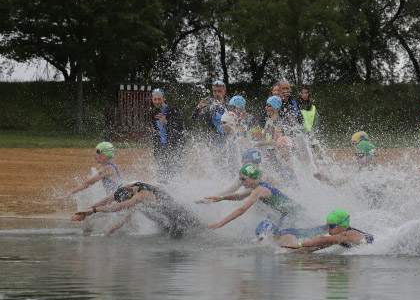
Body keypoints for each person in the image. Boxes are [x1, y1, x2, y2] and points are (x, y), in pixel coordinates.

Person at [71, 181, 199, 238]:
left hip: (179, 214)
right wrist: (87, 210)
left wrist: (94, 210)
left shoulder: (141, 196)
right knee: (168, 231)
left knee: (189, 233)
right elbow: (108, 199)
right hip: (170, 216)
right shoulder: (131, 186)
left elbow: (119, 207)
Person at [199, 163, 305, 230]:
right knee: (276, 236)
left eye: (243, 179)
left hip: (293, 213)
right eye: (240, 179)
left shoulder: (259, 190)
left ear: (253, 177)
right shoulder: (256, 187)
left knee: (280, 238)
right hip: (288, 212)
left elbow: (242, 209)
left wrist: (220, 223)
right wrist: (220, 198)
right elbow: (239, 196)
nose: (241, 182)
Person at [260, 208, 374, 252]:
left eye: (332, 226)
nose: (328, 229)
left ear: (342, 225)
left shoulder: (349, 234)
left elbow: (323, 239)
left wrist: (299, 244)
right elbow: (315, 247)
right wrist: (288, 253)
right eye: (327, 226)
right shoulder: (338, 237)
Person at [148, 88, 185, 178]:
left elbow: (180, 128)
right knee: (162, 171)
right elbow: (156, 130)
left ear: (164, 98)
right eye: (155, 99)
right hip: (161, 146)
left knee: (174, 171)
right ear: (152, 99)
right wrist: (156, 148)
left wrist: (167, 122)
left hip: (174, 145)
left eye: (159, 99)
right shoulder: (154, 112)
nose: (157, 102)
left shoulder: (172, 110)